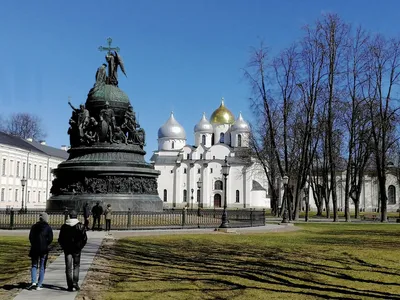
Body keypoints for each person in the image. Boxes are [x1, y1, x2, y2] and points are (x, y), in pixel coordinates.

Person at [58, 210, 88, 292]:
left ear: (70, 216)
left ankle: (70, 285)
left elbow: (60, 239)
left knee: (68, 267)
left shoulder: (64, 226)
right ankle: (75, 282)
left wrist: (63, 246)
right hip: (77, 249)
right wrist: (80, 246)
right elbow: (84, 239)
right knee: (76, 266)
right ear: (76, 216)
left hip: (67, 249)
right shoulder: (81, 226)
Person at [28, 212, 53, 290]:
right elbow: (50, 239)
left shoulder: (34, 227)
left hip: (34, 248)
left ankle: (33, 282)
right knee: (42, 267)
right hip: (44, 249)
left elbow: (30, 237)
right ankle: (39, 284)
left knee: (34, 265)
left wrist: (34, 243)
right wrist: (46, 244)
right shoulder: (48, 228)